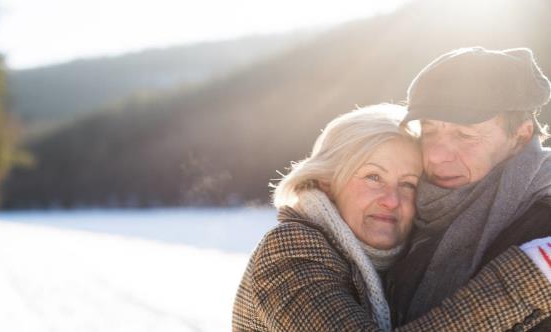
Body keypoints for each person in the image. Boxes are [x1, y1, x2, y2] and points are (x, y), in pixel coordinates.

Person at [232, 104, 551, 331]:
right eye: (373, 177)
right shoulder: (290, 253)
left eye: (408, 184)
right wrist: (532, 273)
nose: (391, 200)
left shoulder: (399, 265)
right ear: (327, 183)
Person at [387, 47, 551, 331]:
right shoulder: (400, 205)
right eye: (429, 130)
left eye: (464, 135)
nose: (437, 155)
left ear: (520, 136)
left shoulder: (542, 232)